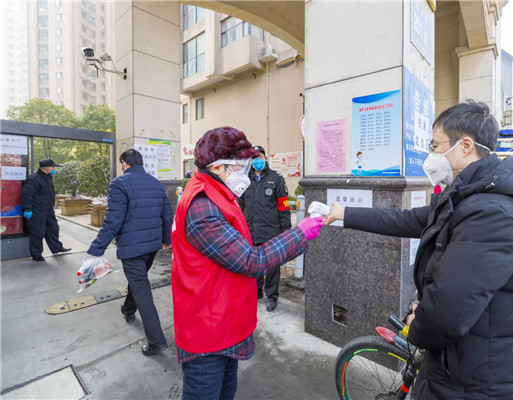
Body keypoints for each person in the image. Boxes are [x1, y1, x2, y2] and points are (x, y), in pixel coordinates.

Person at [325, 100, 513, 399]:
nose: (431, 155)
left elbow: (447, 312)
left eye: (435, 145)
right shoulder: (464, 196)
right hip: (460, 365)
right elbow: (408, 220)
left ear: (465, 146)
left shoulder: (492, 213)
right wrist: (345, 214)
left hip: (480, 381)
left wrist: (417, 325)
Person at [171, 126, 324, 400]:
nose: (246, 173)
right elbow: (251, 261)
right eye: (241, 167)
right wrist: (300, 234)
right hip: (207, 331)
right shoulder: (202, 205)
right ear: (218, 167)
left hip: (221, 320)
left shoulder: (219, 193)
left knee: (226, 392)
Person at [87, 149, 173, 356]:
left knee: (141, 288)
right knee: (139, 281)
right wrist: (166, 240)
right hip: (152, 247)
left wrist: (97, 248)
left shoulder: (119, 184)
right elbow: (167, 215)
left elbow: (113, 220)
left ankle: (156, 341)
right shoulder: (156, 184)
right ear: (142, 163)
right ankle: (128, 310)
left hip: (132, 248)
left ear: (124, 163)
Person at [238, 145, 292, 312]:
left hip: (272, 231)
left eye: (259, 157)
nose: (257, 160)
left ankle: (272, 296)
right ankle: (256, 293)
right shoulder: (244, 179)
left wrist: (286, 231)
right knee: (254, 265)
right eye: (253, 158)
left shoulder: (275, 178)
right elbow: (238, 207)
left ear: (265, 158)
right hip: (250, 231)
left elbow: (283, 206)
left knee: (272, 266)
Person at [21, 158, 71, 262]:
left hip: (48, 210)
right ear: (47, 168)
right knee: (37, 233)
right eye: (53, 167)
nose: (54, 169)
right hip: (37, 211)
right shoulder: (33, 179)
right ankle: (37, 255)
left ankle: (57, 248)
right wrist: (27, 209)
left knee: (53, 229)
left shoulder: (48, 177)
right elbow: (27, 196)